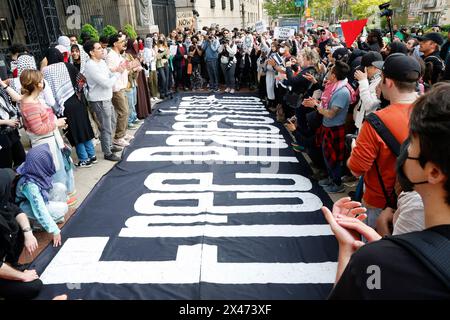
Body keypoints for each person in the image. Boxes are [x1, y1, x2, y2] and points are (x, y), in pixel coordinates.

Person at [326, 83, 450, 299]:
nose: (405, 149)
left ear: (434, 172)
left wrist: (350, 251)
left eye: (412, 143)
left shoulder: (379, 262)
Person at [347, 54, 420, 228]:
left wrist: (353, 150)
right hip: (421, 201)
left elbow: (356, 169)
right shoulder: (432, 112)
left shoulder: (375, 122)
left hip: (380, 203)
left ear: (389, 82)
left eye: (381, 77)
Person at [19, 69, 75, 197]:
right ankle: (61, 203)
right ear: (38, 84)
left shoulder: (29, 99)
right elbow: (38, 129)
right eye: (41, 80)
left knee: (61, 169)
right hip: (46, 144)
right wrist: (56, 124)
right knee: (56, 173)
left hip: (49, 140)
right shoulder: (30, 104)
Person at [304, 61, 355, 193]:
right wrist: (317, 104)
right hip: (328, 127)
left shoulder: (342, 92)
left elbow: (331, 113)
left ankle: (337, 183)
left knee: (334, 159)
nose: (328, 73)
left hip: (334, 128)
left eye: (331, 71)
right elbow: (325, 105)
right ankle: (331, 178)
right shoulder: (334, 86)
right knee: (327, 157)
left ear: (334, 75)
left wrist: (316, 106)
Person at [42, 48, 96, 168]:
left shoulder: (46, 71)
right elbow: (82, 80)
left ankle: (84, 159)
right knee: (84, 127)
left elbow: (48, 91)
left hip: (65, 105)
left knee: (74, 131)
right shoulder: (68, 65)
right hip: (78, 101)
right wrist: (78, 93)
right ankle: (92, 155)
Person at [0, 168, 41, 300]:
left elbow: (18, 212)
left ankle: (11, 264)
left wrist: (28, 234)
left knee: (23, 224)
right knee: (33, 286)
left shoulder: (2, 204)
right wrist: (22, 276)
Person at [15, 144, 67, 247]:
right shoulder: (30, 185)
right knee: (63, 208)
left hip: (33, 200)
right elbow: (39, 209)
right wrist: (54, 230)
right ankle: (37, 225)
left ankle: (52, 217)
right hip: (24, 207)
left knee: (60, 187)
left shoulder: (32, 167)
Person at [83, 40, 123, 162]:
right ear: (91, 52)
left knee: (112, 122)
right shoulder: (90, 66)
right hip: (99, 99)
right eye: (99, 48)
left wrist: (115, 73)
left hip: (106, 97)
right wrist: (118, 73)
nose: (102, 50)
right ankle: (107, 152)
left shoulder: (101, 62)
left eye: (101, 48)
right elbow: (106, 83)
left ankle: (109, 144)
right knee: (106, 126)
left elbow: (109, 75)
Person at [106, 34, 133, 148]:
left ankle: (123, 133)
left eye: (124, 41)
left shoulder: (119, 55)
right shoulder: (111, 56)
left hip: (122, 86)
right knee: (123, 112)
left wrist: (131, 65)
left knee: (126, 111)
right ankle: (118, 137)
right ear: (115, 43)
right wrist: (119, 68)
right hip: (116, 88)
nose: (124, 43)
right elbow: (109, 71)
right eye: (122, 41)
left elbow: (124, 68)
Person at [353, 51, 383, 131]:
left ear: (374, 67)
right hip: (361, 124)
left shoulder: (381, 83)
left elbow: (370, 106)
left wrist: (363, 82)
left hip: (369, 128)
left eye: (365, 69)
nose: (363, 71)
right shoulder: (370, 79)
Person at [0, 78, 25, 169]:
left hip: (11, 130)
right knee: (6, 164)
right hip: (2, 134)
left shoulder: (2, 90)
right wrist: (7, 122)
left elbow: (18, 98)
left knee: (21, 159)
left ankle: (21, 181)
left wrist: (3, 84)